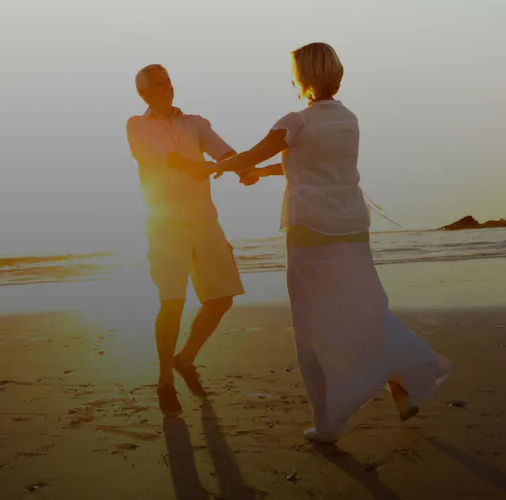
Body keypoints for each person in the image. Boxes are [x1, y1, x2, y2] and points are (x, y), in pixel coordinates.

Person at [168, 43, 452, 443]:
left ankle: (328, 424)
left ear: (301, 76)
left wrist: (210, 167)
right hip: (352, 226)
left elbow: (251, 154)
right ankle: (402, 384)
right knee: (369, 308)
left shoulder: (295, 122)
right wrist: (259, 173)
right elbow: (305, 163)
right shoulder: (348, 119)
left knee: (312, 326)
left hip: (311, 232)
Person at [126, 64, 246, 416]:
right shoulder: (137, 125)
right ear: (144, 93)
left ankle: (186, 357)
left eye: (169, 83)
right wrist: (191, 167)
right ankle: (165, 380)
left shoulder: (195, 122)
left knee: (222, 298)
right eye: (159, 85)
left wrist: (241, 167)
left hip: (204, 220)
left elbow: (222, 150)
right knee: (173, 302)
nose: (167, 89)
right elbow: (162, 156)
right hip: (165, 223)